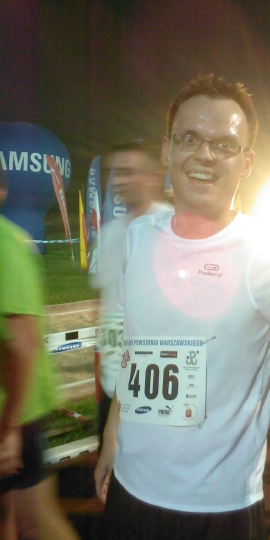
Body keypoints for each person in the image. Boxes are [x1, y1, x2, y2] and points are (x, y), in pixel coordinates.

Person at [94, 75, 270, 540]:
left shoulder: (269, 254)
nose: (204, 155)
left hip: (221, 512)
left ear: (247, 162)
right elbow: (134, 350)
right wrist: (112, 436)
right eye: (189, 138)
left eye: (224, 145)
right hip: (131, 492)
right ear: (168, 148)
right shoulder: (137, 239)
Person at [0, 166, 83, 540]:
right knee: (10, 517)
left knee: (36, 521)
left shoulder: (4, 243)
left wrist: (10, 428)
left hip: (18, 413)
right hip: (13, 413)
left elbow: (23, 343)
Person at [90, 140, 172, 448]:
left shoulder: (171, 230)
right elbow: (104, 307)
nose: (119, 181)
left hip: (153, 390)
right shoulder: (111, 234)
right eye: (116, 173)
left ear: (153, 176)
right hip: (112, 384)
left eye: (128, 172)